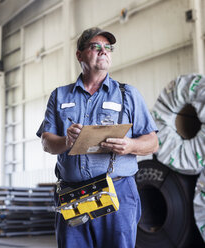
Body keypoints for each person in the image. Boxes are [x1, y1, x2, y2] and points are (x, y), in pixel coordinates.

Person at [36, 27, 159, 248]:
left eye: (108, 47)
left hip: (117, 191)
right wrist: (66, 141)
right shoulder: (60, 95)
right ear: (79, 55)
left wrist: (130, 145)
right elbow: (46, 142)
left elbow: (153, 142)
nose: (104, 51)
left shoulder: (127, 94)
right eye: (96, 47)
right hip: (72, 193)